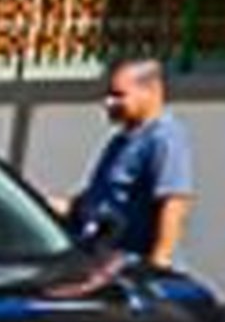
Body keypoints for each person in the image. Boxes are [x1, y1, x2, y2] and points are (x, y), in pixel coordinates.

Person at [66, 52, 194, 273]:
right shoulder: (121, 142)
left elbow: (174, 202)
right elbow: (96, 201)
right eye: (108, 95)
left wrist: (157, 265)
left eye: (119, 95)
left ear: (151, 91)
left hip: (131, 269)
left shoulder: (163, 138)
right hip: (99, 263)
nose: (109, 103)